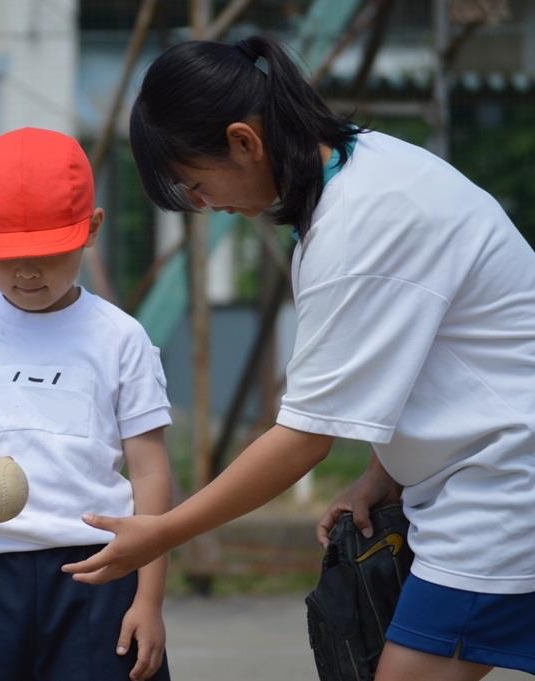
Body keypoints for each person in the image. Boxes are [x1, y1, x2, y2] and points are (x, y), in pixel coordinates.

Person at [61, 34, 535, 681]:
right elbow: (416, 352)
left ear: (244, 142)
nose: (202, 205)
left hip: (506, 482)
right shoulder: (360, 173)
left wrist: (164, 530)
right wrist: (383, 471)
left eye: (196, 185)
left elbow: (303, 439)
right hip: (480, 474)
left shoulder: (360, 225)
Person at [0, 127, 173, 681]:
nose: (27, 273)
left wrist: (148, 600)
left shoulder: (120, 336)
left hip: (101, 570)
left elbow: (150, 471)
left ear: (91, 231)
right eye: (7, 257)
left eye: (47, 254)